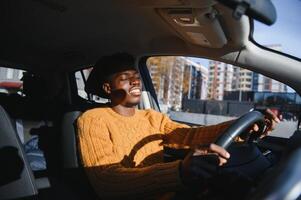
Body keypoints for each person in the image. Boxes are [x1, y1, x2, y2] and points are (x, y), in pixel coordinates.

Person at [77, 53, 279, 199]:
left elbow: (189, 136)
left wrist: (239, 127)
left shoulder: (152, 118)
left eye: (136, 77)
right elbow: (106, 182)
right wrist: (179, 171)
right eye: (125, 79)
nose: (136, 82)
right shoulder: (93, 119)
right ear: (107, 88)